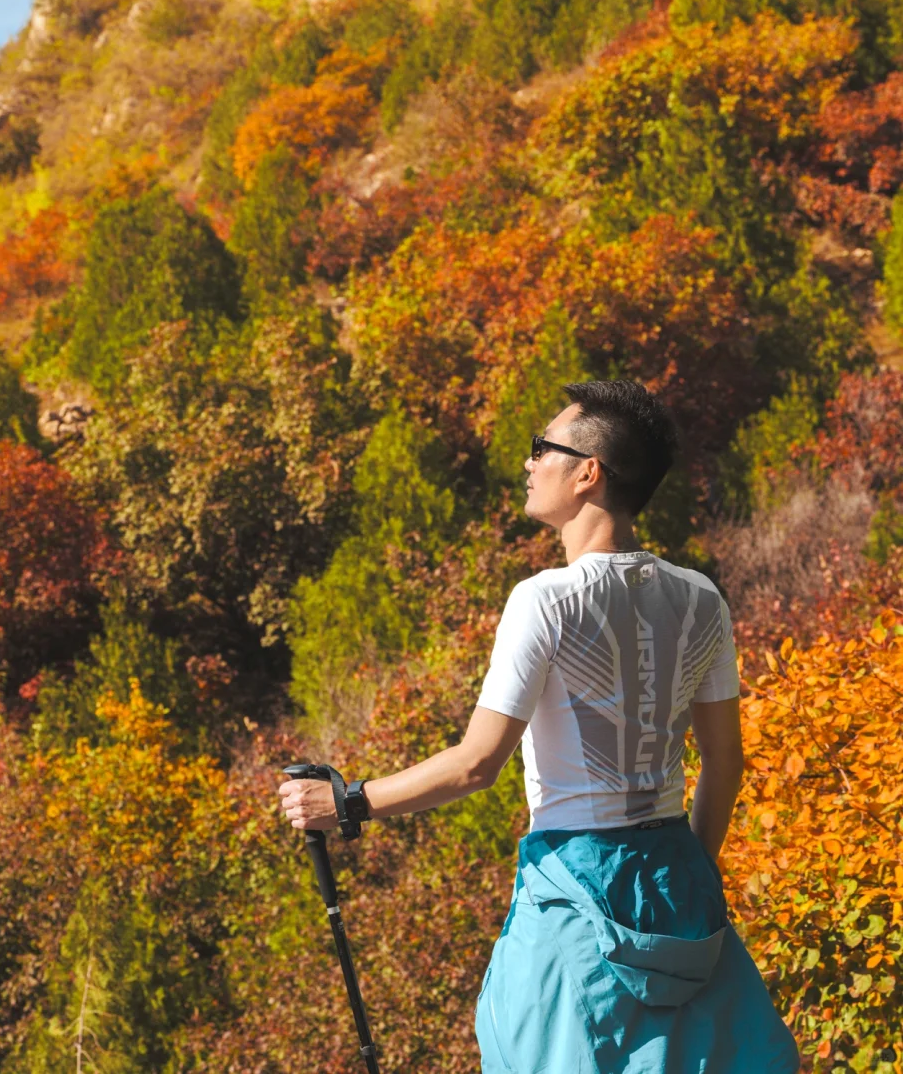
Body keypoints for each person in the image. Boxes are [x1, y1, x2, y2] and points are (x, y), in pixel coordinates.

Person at [279, 379, 800, 1073]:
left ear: (588, 473)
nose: (528, 464)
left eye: (540, 449)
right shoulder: (702, 599)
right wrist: (693, 875)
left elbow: (477, 765)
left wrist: (348, 802)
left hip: (574, 881)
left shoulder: (546, 601)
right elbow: (725, 765)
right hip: (679, 875)